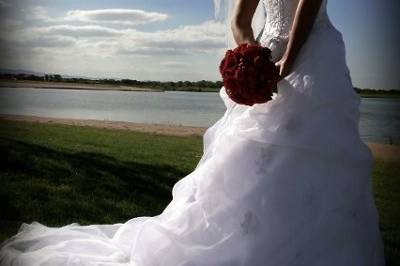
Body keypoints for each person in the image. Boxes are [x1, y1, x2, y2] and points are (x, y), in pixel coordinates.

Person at [0, 0, 385, 265]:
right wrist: (254, 59)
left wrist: (288, 60)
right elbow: (239, 21)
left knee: (314, 152)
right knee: (249, 157)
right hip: (270, 52)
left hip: (315, 57)